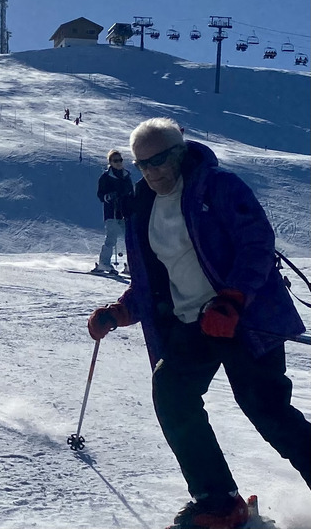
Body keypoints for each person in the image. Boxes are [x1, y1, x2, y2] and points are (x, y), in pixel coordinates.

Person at [87, 118, 310, 529]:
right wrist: (120, 311)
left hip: (241, 319)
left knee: (267, 411)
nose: (152, 172)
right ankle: (218, 499)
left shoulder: (218, 186)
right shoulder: (144, 206)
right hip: (193, 324)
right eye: (142, 165)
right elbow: (153, 280)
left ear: (180, 153)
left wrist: (232, 300)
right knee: (172, 393)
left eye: (160, 161)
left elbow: (257, 244)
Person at [92, 149, 133, 274]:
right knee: (111, 238)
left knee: (131, 239)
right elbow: (100, 195)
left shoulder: (126, 176)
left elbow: (131, 192)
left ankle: (132, 265)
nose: (119, 163)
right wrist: (109, 196)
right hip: (112, 212)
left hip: (125, 211)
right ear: (110, 162)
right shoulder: (106, 177)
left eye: (120, 160)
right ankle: (104, 263)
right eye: (116, 161)